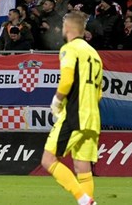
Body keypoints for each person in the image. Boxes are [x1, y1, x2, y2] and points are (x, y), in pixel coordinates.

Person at [42, 11, 101, 205]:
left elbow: (66, 81)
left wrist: (57, 101)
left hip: (75, 115)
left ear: (67, 27)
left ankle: (83, 200)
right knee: (82, 166)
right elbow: (99, 93)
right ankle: (88, 202)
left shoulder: (70, 48)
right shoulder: (95, 54)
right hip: (93, 117)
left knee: (48, 160)